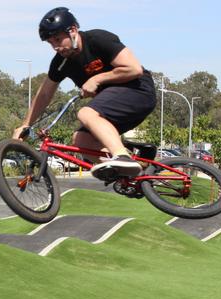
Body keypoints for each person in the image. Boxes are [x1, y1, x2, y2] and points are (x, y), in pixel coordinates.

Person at [13, 7, 157, 180]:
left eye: (58, 39)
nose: (56, 47)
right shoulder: (61, 63)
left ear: (73, 30)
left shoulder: (98, 39)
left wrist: (98, 79)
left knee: (86, 113)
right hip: (115, 105)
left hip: (138, 91)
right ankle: (133, 175)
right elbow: (44, 94)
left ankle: (122, 156)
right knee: (81, 140)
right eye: (51, 43)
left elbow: (133, 69)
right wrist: (26, 125)